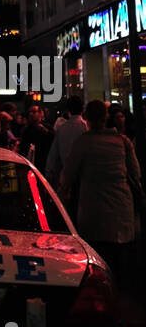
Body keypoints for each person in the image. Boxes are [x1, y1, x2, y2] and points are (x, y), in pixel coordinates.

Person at [61, 99, 144, 291]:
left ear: (87, 118)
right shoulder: (122, 142)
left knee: (97, 262)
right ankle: (120, 297)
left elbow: (68, 175)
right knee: (119, 261)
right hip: (122, 210)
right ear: (106, 117)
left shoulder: (83, 142)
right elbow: (136, 174)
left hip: (93, 211)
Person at [44, 94, 87, 190]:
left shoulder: (62, 129)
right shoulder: (86, 127)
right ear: (82, 108)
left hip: (66, 175)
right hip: (84, 176)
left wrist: (49, 174)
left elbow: (53, 155)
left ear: (68, 110)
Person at [16, 102, 53, 173]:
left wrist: (45, 131)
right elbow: (23, 146)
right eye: (30, 112)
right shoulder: (26, 129)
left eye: (34, 112)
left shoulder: (46, 127)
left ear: (40, 113)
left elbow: (53, 140)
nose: (31, 114)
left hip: (43, 162)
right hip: (29, 162)